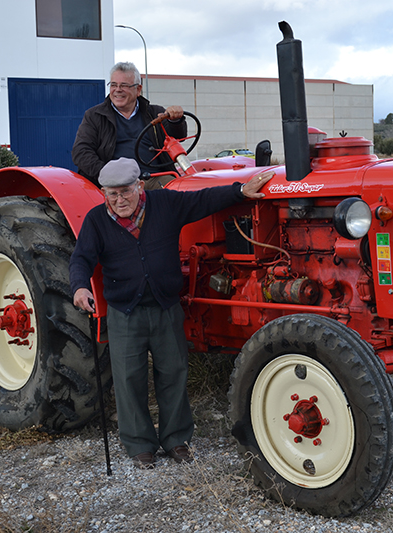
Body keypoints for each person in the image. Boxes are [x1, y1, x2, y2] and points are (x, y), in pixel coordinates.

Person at [70, 157, 275, 469]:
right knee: (129, 379)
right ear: (103, 194)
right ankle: (139, 444)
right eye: (111, 194)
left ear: (139, 186)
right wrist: (79, 287)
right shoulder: (97, 220)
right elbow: (81, 259)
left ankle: (177, 440)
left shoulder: (164, 203)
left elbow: (202, 200)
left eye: (125, 191)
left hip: (166, 306)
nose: (119, 200)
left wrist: (240, 191)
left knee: (173, 373)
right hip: (125, 312)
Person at [72, 61, 186, 188]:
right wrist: (105, 173)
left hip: (153, 178)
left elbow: (177, 137)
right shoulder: (95, 116)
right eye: (113, 85)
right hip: (116, 182)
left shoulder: (155, 113)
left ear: (138, 89)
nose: (117, 90)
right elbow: (81, 151)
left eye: (124, 85)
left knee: (180, 190)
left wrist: (175, 120)